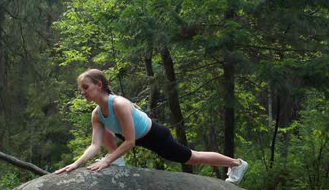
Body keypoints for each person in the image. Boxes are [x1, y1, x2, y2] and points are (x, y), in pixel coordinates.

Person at [55, 68, 249, 184]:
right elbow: (95, 145)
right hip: (135, 138)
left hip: (155, 137)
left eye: (85, 88)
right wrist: (76, 164)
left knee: (192, 158)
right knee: (105, 127)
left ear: (99, 85)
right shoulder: (96, 114)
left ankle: (237, 164)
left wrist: (105, 161)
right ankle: (117, 160)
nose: (84, 93)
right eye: (82, 91)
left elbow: (130, 141)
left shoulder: (119, 104)